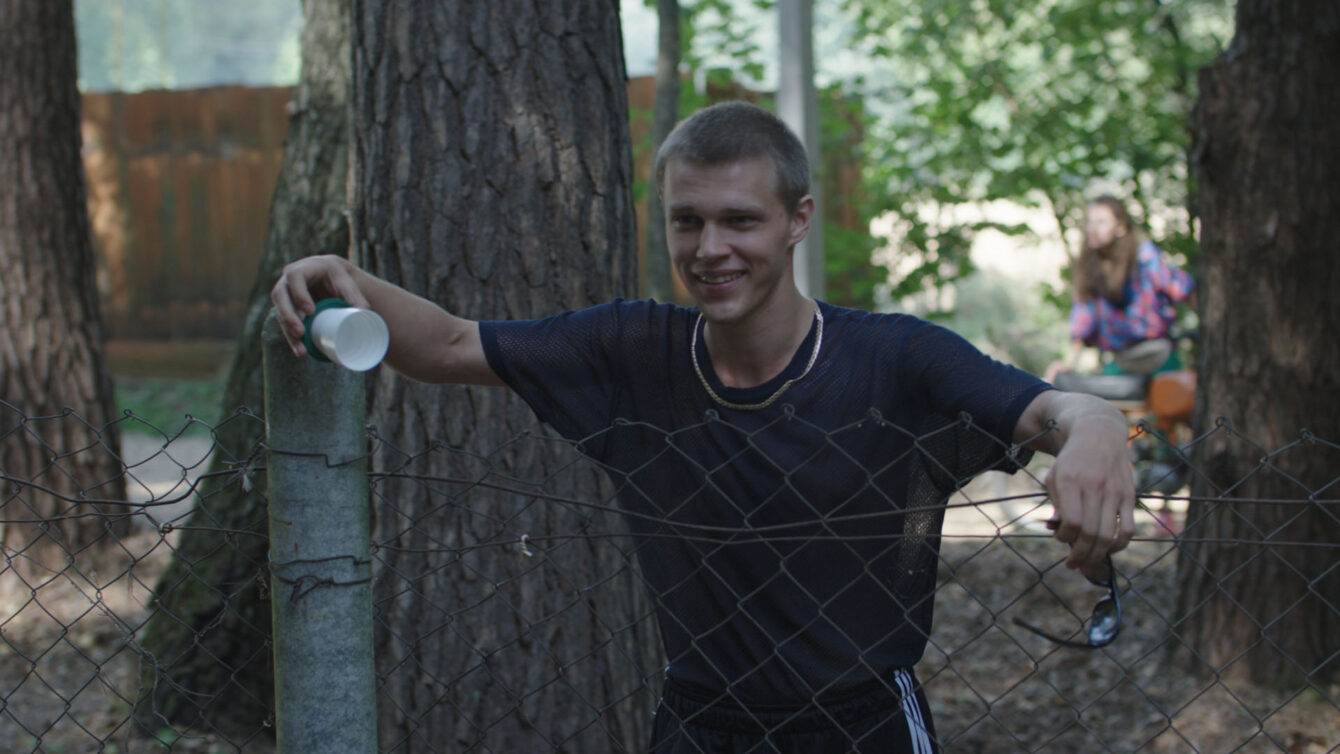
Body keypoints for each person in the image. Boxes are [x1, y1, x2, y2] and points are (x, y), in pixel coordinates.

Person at [271, 102, 1134, 753]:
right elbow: (450, 346)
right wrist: (346, 277)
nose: (710, 247)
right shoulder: (633, 349)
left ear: (798, 219)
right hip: (697, 720)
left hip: (861, 720)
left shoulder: (896, 358)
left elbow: (1055, 410)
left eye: (739, 220)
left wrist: (1097, 429)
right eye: (688, 220)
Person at [1064, 195, 1195, 377]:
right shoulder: (1090, 268)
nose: (1092, 229)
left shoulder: (1144, 256)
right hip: (1121, 361)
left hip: (1159, 355)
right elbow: (1083, 316)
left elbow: (1180, 288)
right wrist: (1068, 364)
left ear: (1121, 227)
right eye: (1089, 222)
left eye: (1101, 222)